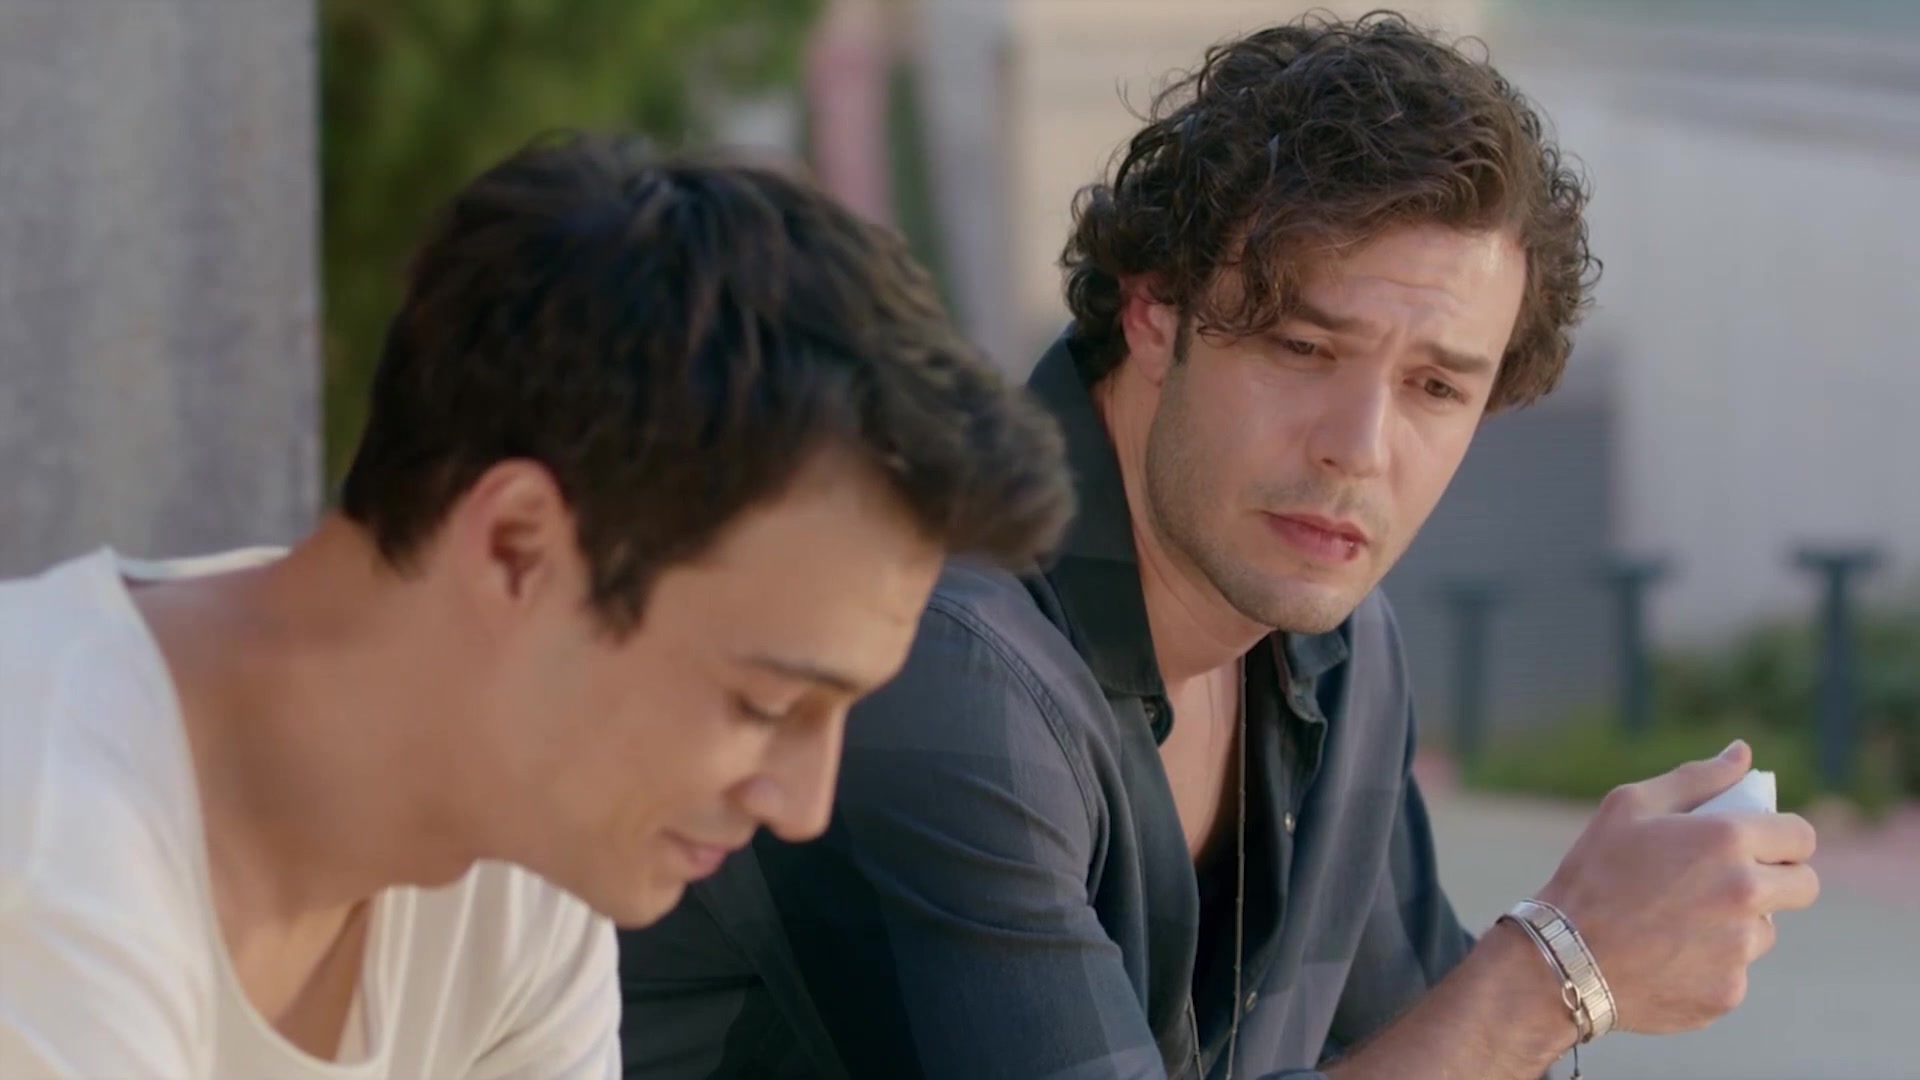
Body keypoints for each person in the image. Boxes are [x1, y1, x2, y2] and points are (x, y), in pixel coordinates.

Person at [616, 13, 1820, 1080]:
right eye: (1302, 349)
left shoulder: (1342, 652)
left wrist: (1580, 965)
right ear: (1153, 312)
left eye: (1435, 387)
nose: (1359, 448)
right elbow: (1482, 1027)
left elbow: (1422, 1043)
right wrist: (1557, 970)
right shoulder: (946, 654)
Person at [0, 133, 1072, 1078]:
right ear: (517, 547)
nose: (803, 806)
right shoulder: (46, 828)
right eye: (762, 703)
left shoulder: (521, 864)